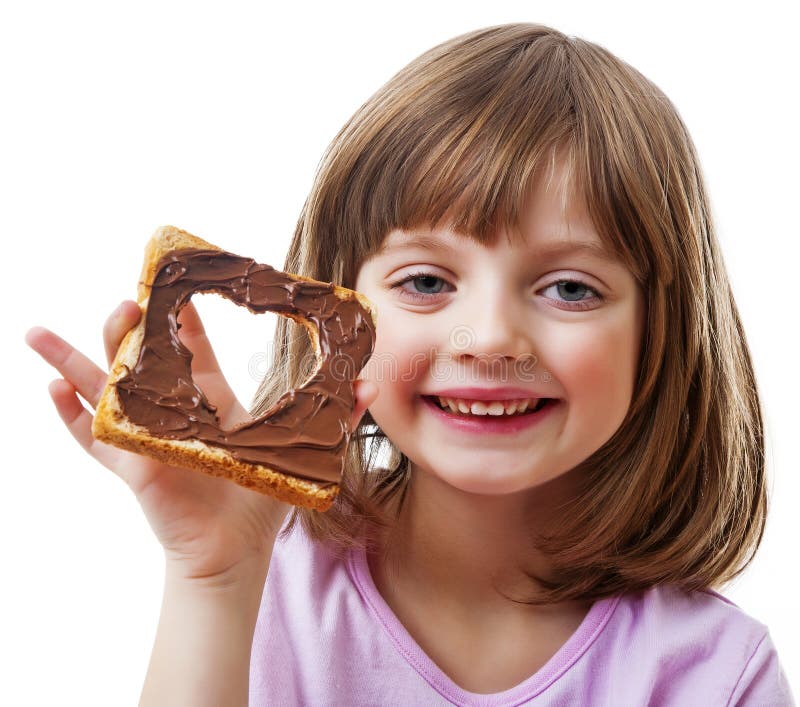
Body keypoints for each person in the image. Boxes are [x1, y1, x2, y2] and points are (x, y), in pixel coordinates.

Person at [26, 23, 794, 706]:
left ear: (661, 332)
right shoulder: (261, 590)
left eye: (569, 288)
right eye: (426, 281)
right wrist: (214, 581)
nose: (491, 337)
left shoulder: (714, 673)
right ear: (337, 311)